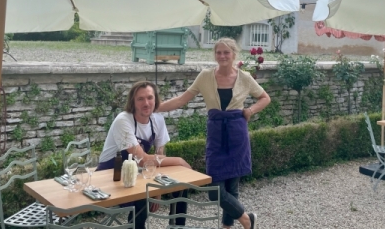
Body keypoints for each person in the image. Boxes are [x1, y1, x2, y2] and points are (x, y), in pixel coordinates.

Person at [159, 38, 270, 229]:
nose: (222, 56)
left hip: (237, 133)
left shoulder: (245, 77)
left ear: (234, 54)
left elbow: (265, 97)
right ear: (215, 55)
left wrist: (250, 111)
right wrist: (155, 108)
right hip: (216, 134)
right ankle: (247, 219)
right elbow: (181, 99)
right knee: (214, 189)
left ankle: (227, 226)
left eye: (226, 52)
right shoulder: (205, 76)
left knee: (232, 188)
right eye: (219, 52)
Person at [98, 81, 190, 229]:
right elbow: (143, 160)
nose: (146, 103)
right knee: (142, 195)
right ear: (132, 102)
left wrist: (159, 188)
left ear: (156, 99)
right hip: (110, 175)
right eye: (140, 99)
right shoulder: (123, 121)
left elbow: (160, 154)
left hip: (138, 175)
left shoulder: (157, 119)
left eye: (150, 97)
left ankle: (178, 226)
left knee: (180, 186)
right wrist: (179, 160)